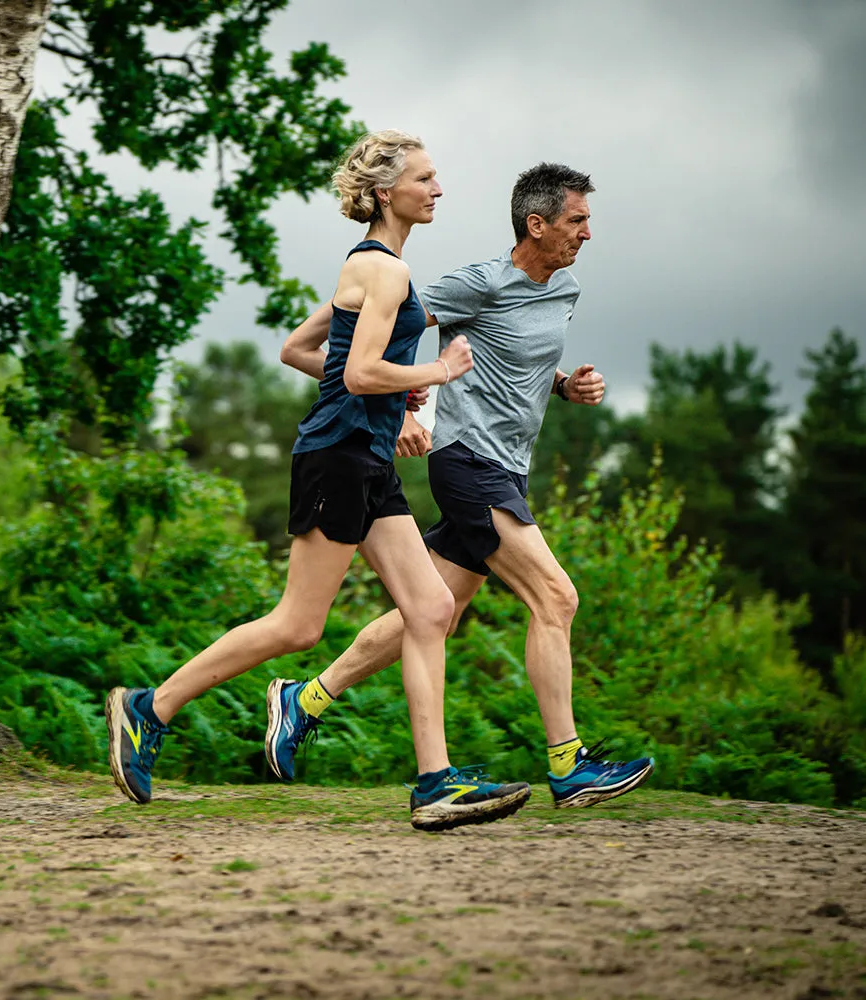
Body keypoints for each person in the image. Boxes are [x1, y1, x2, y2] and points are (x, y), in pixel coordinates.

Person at [106, 129, 532, 832]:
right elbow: (361, 372)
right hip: (338, 456)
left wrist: (391, 409)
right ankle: (149, 710)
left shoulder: (375, 268)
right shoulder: (385, 272)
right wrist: (433, 373)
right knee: (298, 625)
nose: (438, 190)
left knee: (430, 611)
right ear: (386, 192)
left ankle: (435, 784)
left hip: (364, 453)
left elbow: (302, 351)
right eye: (425, 178)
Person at [267, 162, 655, 809]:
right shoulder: (476, 284)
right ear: (537, 224)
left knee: (432, 613)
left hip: (508, 468)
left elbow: (514, 354)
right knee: (556, 599)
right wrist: (406, 412)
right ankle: (570, 765)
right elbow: (364, 336)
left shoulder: (564, 291)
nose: (588, 234)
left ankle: (303, 700)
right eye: (576, 220)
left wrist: (564, 385)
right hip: (468, 463)